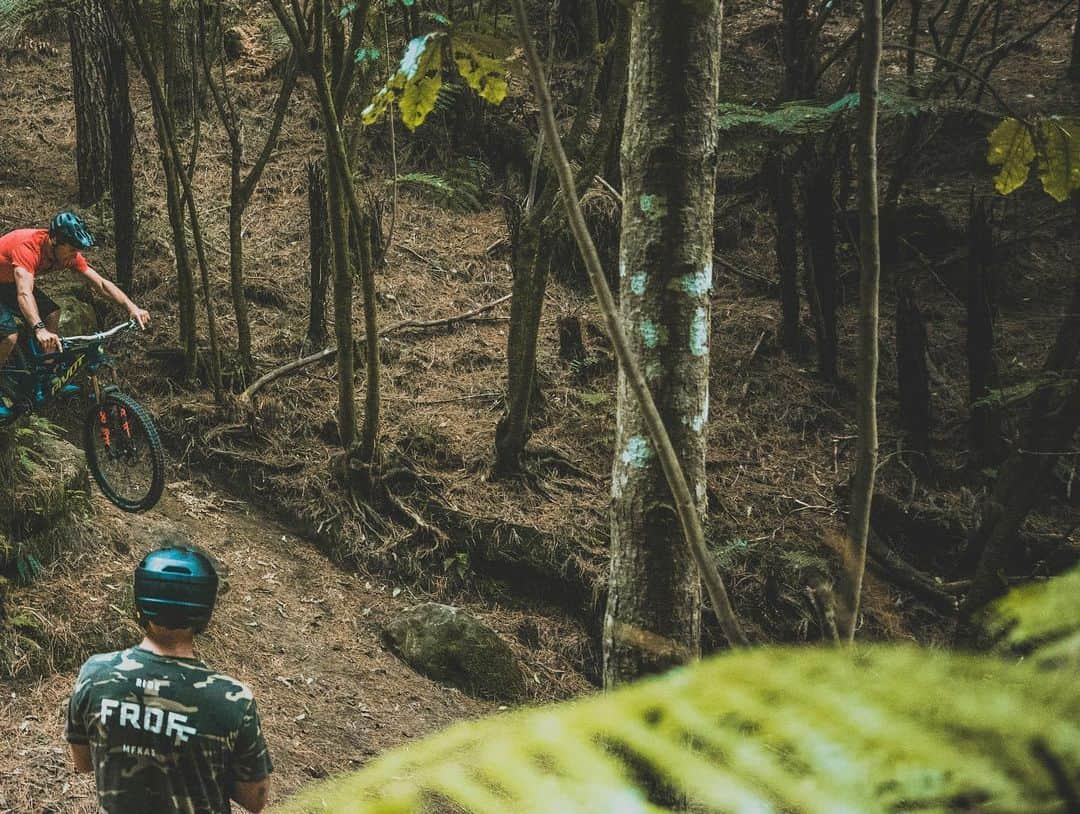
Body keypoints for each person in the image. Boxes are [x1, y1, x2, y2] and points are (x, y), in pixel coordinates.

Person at [66, 543, 273, 814]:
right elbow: (255, 799)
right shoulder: (233, 700)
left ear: (140, 602)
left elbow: (83, 762)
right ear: (204, 611)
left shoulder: (95, 675)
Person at [0, 212, 150, 415]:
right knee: (9, 336)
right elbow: (24, 293)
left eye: (77, 250)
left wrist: (132, 308)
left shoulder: (66, 254)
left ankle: (46, 373)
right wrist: (39, 329)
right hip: (11, 285)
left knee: (52, 312)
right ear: (54, 240)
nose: (74, 255)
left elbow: (101, 285)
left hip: (7, 283)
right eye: (71, 250)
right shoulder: (27, 247)